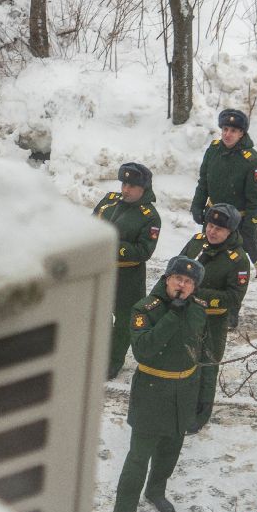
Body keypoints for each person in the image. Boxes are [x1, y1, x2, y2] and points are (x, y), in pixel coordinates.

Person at [101, 255, 206, 512]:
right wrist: (173, 315)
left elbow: (198, 350)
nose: (182, 286)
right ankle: (123, 510)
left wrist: (199, 393)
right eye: (178, 279)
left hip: (183, 391)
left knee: (170, 450)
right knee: (139, 455)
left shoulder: (197, 310)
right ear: (167, 279)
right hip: (152, 390)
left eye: (188, 282)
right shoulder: (145, 309)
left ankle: (156, 492)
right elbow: (144, 348)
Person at [176, 204, 252, 432]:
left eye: (219, 228)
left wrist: (197, 293)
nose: (212, 231)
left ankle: (198, 416)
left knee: (206, 368)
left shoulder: (238, 259)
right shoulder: (197, 241)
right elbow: (176, 267)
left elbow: (234, 297)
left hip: (212, 321)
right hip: (184, 314)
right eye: (210, 225)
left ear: (230, 231)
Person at [94, 162, 163, 379]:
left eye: (132, 186)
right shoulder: (109, 201)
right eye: (124, 183)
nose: (125, 189)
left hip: (128, 277)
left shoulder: (150, 216)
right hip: (103, 272)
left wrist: (112, 244)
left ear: (144, 188)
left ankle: (113, 362)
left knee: (124, 323)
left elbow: (144, 250)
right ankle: (96, 356)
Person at [190, 107, 257, 267]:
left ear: (242, 134)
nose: (227, 134)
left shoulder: (252, 161)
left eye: (233, 130)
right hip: (212, 218)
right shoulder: (213, 150)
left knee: (229, 265)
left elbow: (255, 200)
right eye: (225, 129)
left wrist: (250, 227)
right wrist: (197, 205)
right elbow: (203, 182)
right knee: (206, 261)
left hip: (236, 223)